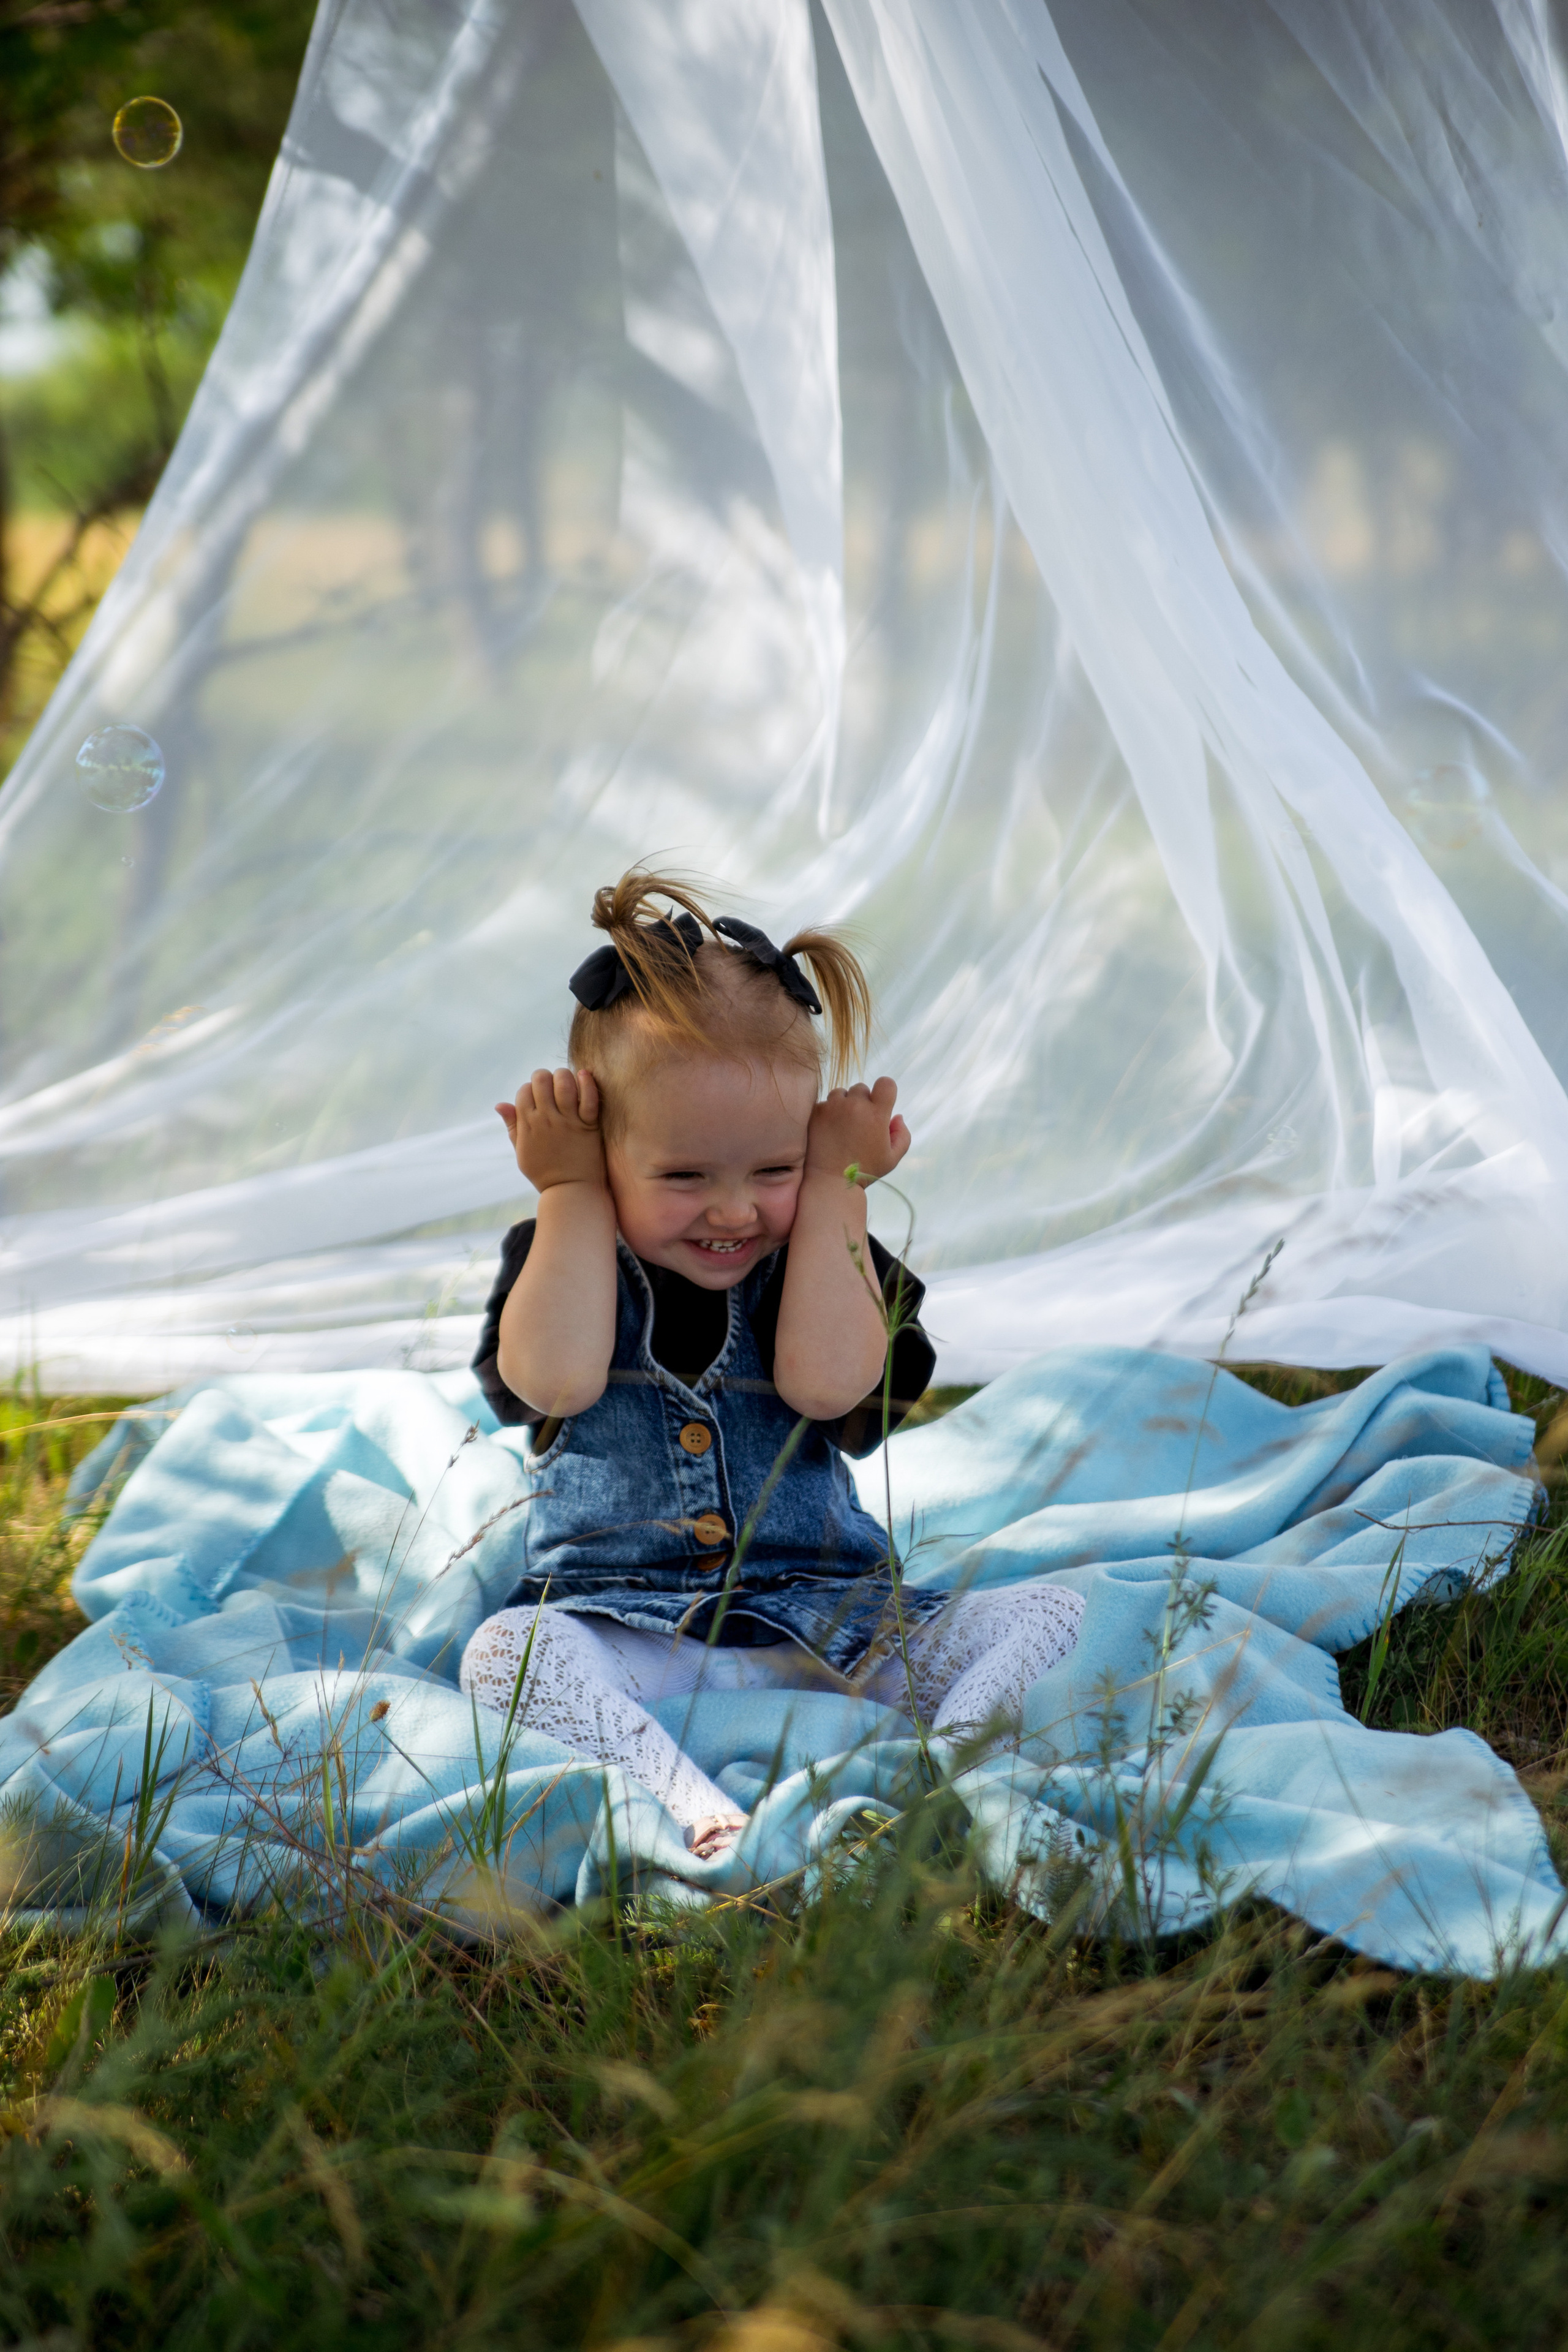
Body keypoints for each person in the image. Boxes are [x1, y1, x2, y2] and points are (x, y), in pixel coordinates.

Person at [461, 869, 1083, 1860]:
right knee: (503, 1659)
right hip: (631, 1633)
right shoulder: (559, 1253)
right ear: (599, 1146)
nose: (734, 1210)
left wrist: (837, 1194)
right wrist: (569, 1193)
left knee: (1054, 1614)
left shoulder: (828, 1258)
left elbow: (824, 1388)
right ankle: (691, 1806)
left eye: (775, 1170)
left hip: (832, 1632)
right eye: (683, 1176)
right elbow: (558, 1382)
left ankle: (950, 1772)